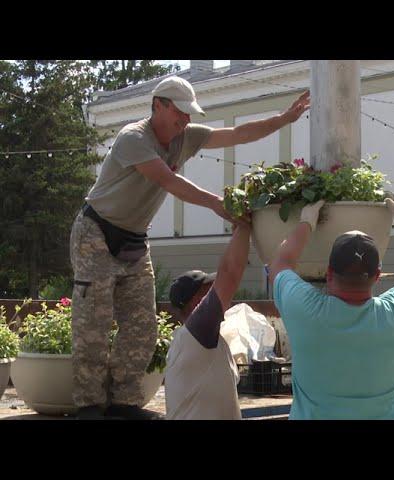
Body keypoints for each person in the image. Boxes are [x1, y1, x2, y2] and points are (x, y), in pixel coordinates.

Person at [70, 75, 309, 420]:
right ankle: (90, 406)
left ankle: (123, 402)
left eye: (188, 113)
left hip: (135, 238)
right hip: (96, 232)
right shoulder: (133, 138)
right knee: (93, 322)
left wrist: (283, 119)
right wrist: (216, 203)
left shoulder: (186, 137)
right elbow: (167, 180)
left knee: (142, 326)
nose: (185, 120)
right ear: (158, 106)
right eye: (180, 112)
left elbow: (239, 134)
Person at [267, 197, 394, 420]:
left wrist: (306, 223)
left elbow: (280, 264)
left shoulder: (305, 310)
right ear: (377, 276)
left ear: (329, 273)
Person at [163, 222, 251, 420]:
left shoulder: (207, 339)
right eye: (209, 291)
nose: (217, 293)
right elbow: (229, 272)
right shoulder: (194, 335)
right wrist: (244, 224)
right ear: (197, 303)